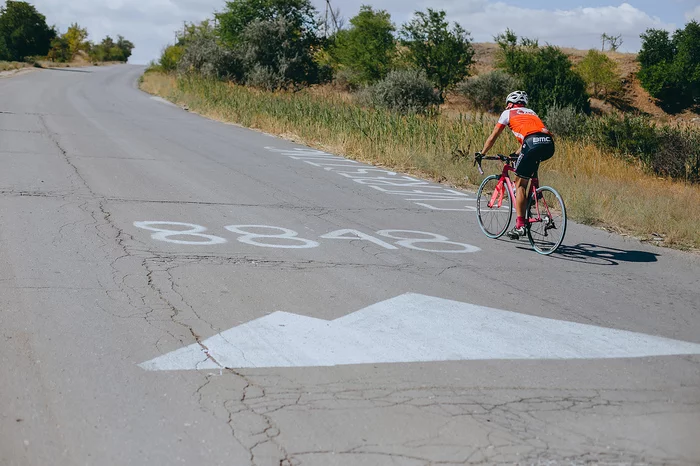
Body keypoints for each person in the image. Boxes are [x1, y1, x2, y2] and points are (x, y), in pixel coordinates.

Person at [478, 90, 555, 239]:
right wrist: (515, 154)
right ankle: (533, 196)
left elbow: (493, 136)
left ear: (510, 103)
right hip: (548, 144)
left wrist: (482, 153)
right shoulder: (531, 112)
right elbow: (532, 134)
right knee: (529, 170)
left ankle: (520, 226)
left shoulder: (508, 113)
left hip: (531, 144)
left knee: (520, 184)